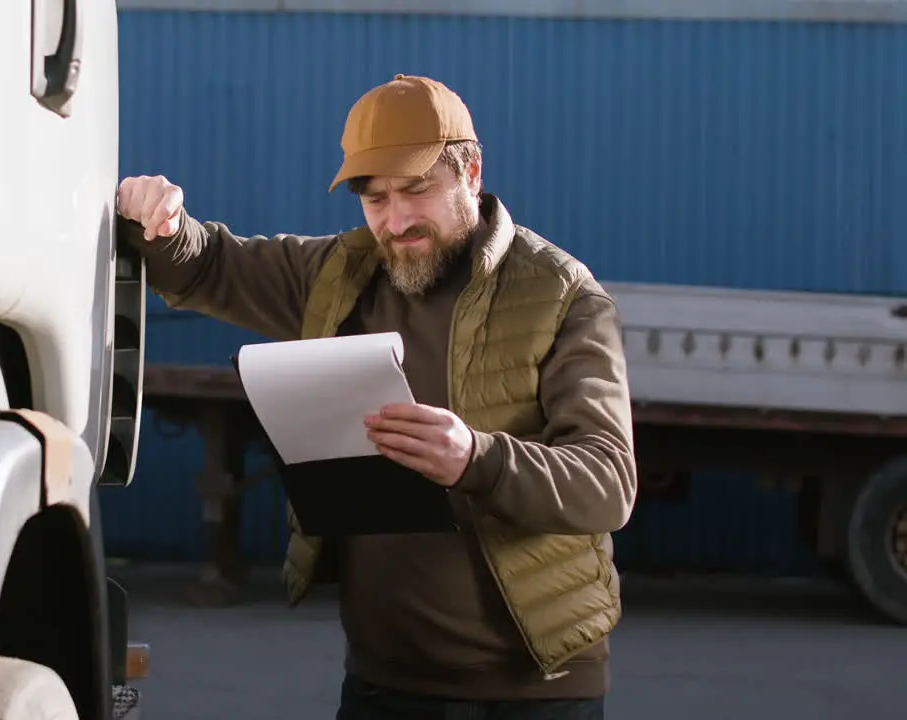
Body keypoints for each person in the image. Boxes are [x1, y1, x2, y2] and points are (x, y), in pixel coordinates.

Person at [116, 74, 638, 720]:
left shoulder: (561, 295)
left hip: (535, 692)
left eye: (417, 191)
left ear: (470, 172)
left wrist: (476, 457)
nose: (396, 221)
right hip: (383, 686)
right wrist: (161, 224)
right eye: (375, 198)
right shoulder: (341, 273)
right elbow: (209, 265)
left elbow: (608, 480)